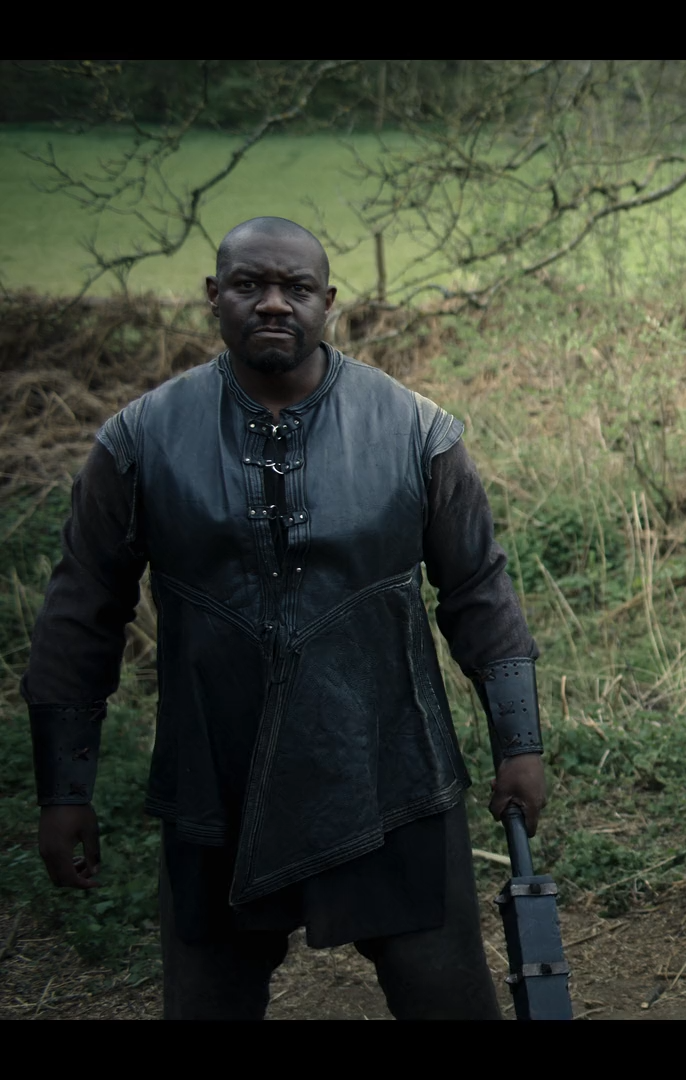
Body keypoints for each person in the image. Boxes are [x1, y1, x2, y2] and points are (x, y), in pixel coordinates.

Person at [27, 217, 546, 1020]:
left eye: (296, 287)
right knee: (207, 1004)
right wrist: (64, 791)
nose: (274, 303)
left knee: (446, 997)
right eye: (250, 285)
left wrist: (520, 745)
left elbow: (478, 589)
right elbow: (80, 615)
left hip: (390, 773)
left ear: (327, 301)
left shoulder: (416, 432)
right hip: (216, 780)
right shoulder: (141, 440)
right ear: (214, 296)